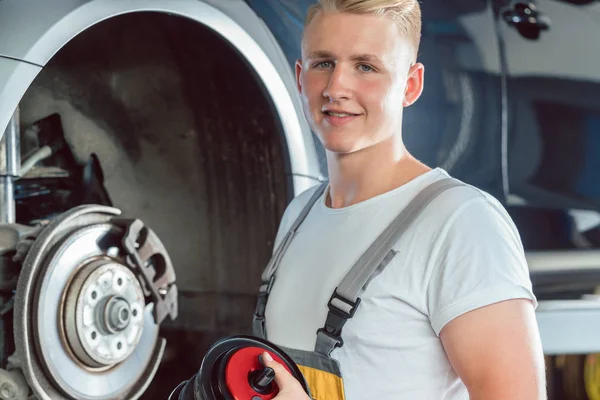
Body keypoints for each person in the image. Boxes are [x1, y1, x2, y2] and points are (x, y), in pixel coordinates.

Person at [254, 0, 547, 399]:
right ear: (300, 76)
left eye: (366, 67)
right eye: (324, 63)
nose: (337, 87)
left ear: (411, 85)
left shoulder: (460, 224)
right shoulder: (299, 215)